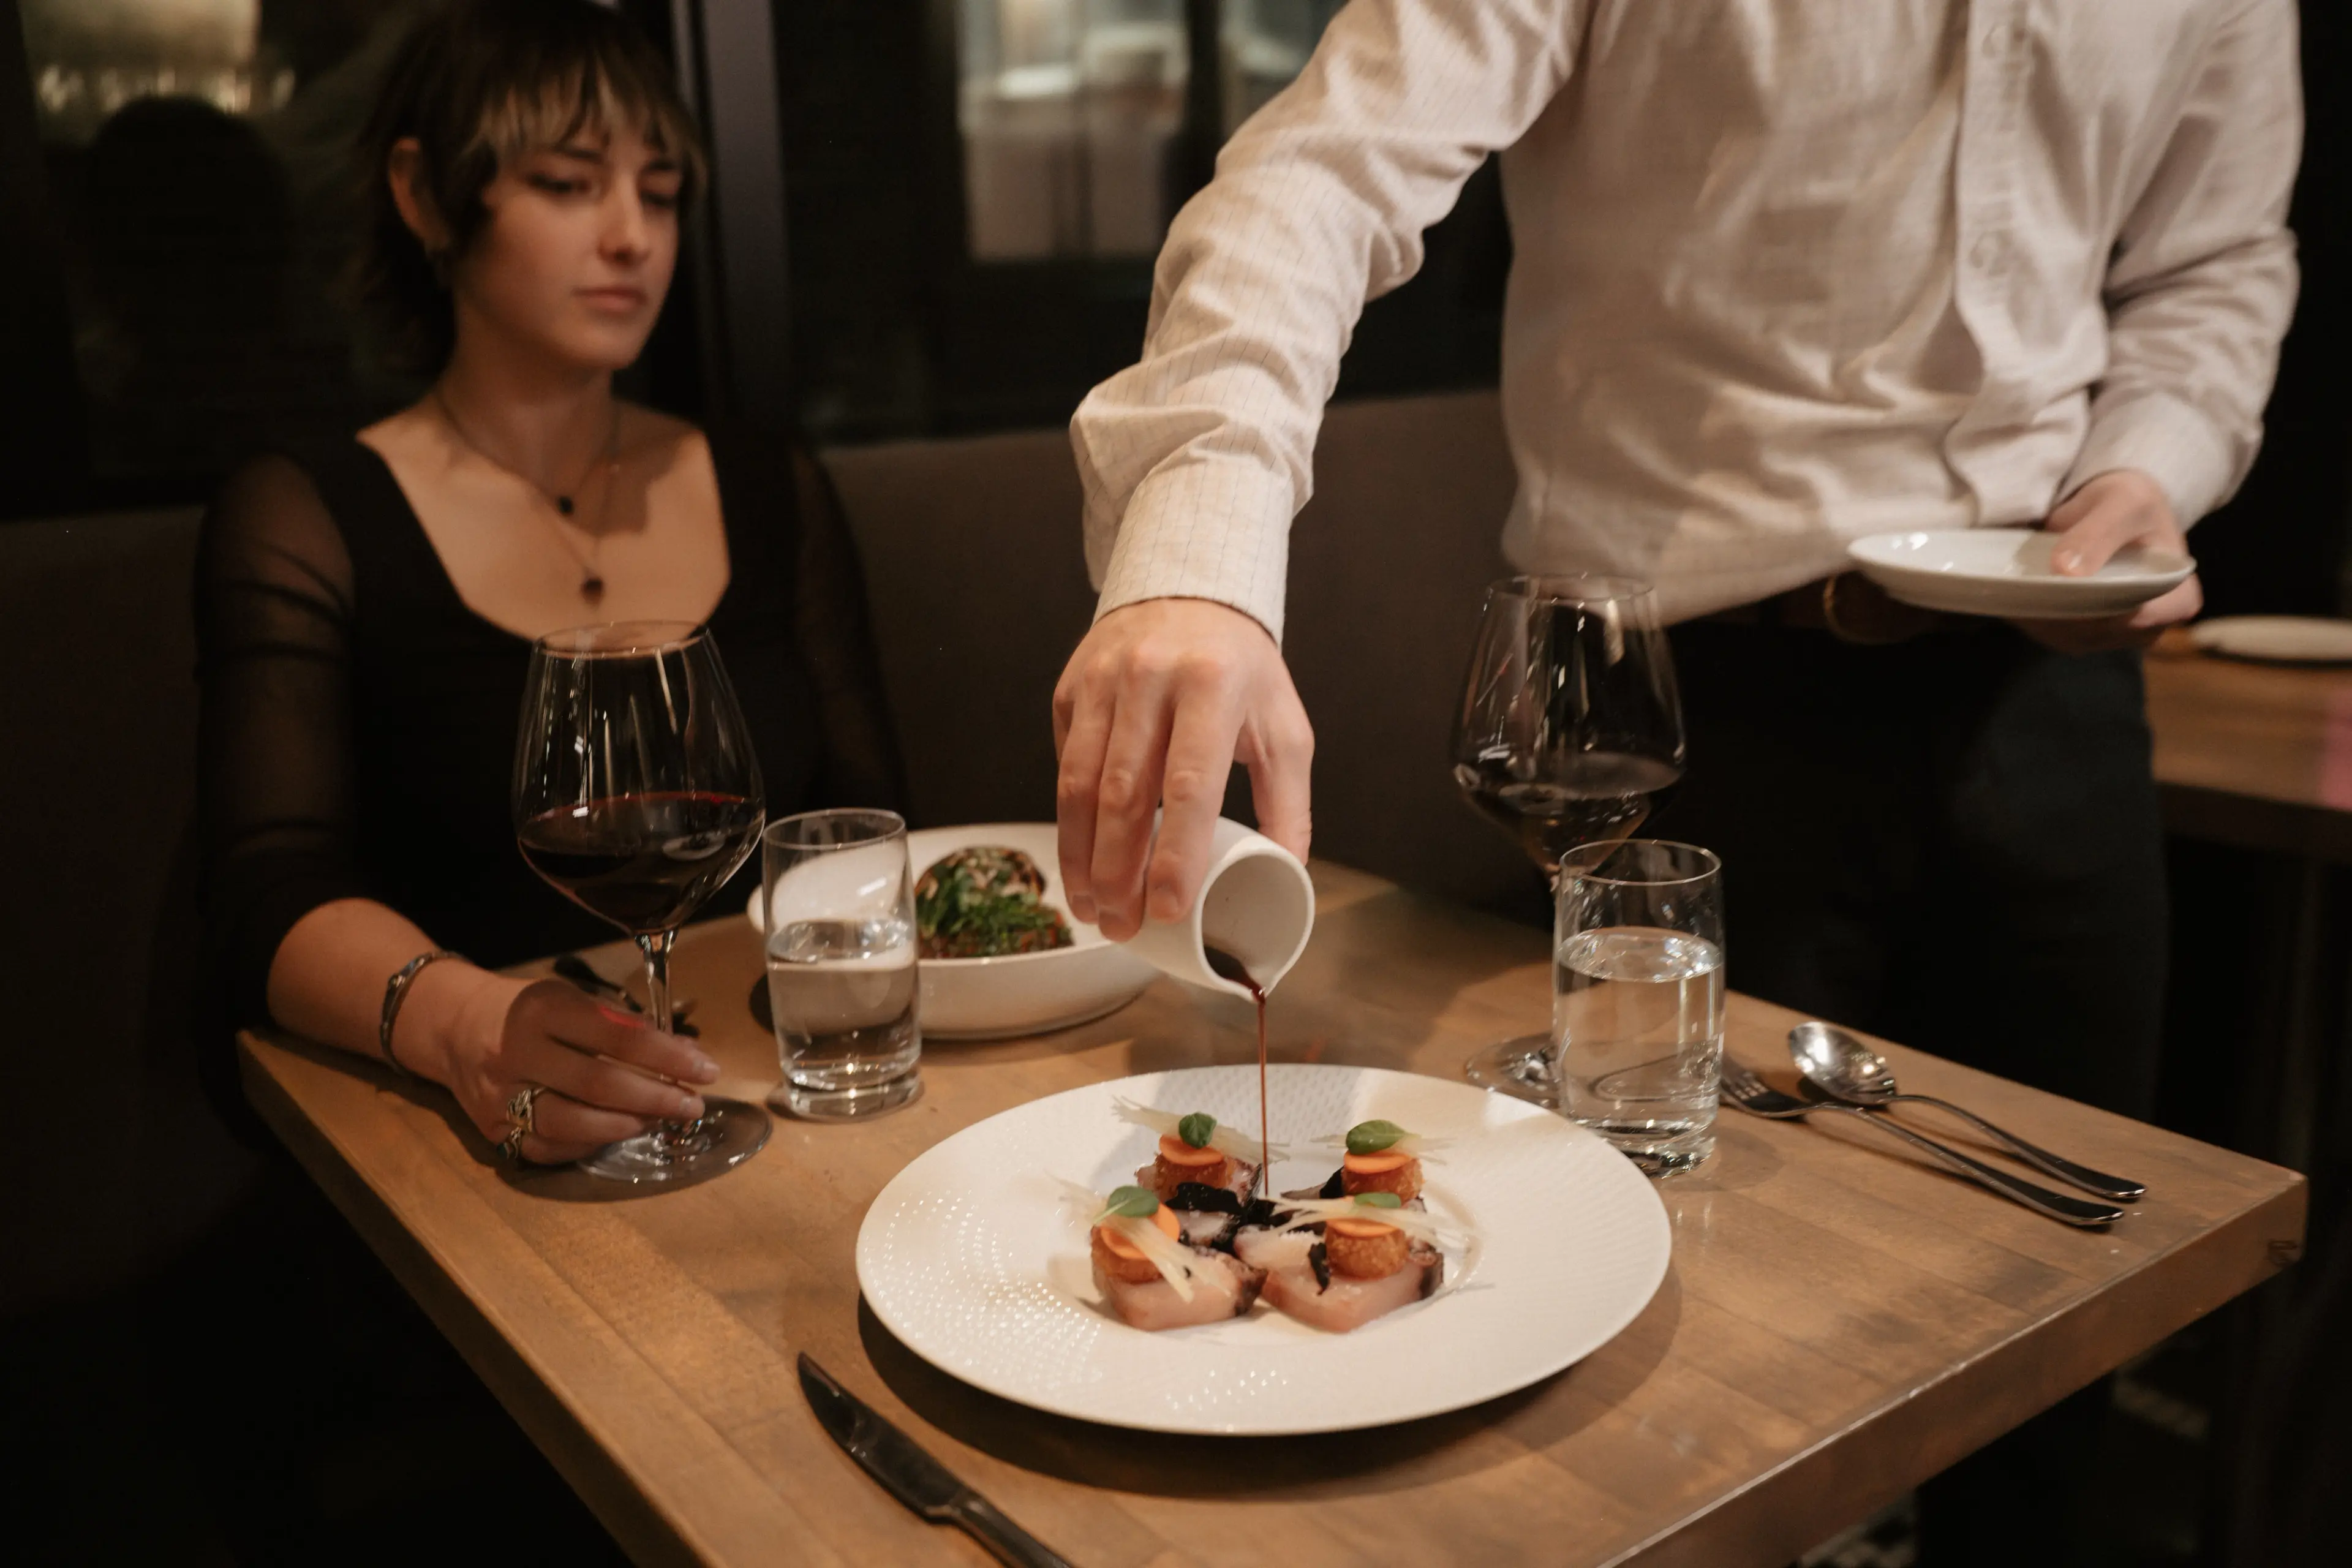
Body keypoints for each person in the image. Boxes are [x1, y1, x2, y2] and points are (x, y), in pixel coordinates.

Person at [1053, 2, 2298, 1559]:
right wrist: (1202, 550)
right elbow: (1322, 168)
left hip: (2057, 686)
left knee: (2067, 1311)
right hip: (1667, 705)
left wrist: (2154, 460)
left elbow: (2218, 265)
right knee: (1665, 1374)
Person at [197, 0, 904, 1166]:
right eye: (571, 184)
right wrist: (467, 1024)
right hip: (460, 1141)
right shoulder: (310, 516)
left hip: (768, 1094)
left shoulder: (767, 483)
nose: (632, 235)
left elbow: (864, 820)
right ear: (426, 197)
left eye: (661, 192)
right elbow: (265, 893)